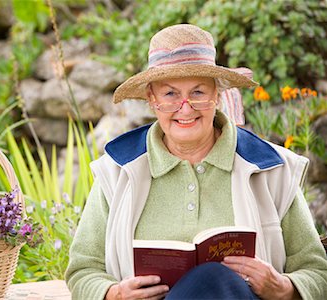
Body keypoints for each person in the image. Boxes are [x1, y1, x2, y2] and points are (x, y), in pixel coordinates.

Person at [65, 24, 327, 300]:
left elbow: (318, 273)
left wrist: (284, 288)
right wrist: (114, 294)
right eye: (170, 94)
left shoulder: (270, 168)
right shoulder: (117, 171)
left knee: (214, 279)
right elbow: (82, 271)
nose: (186, 107)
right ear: (151, 99)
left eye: (198, 93)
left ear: (217, 96)